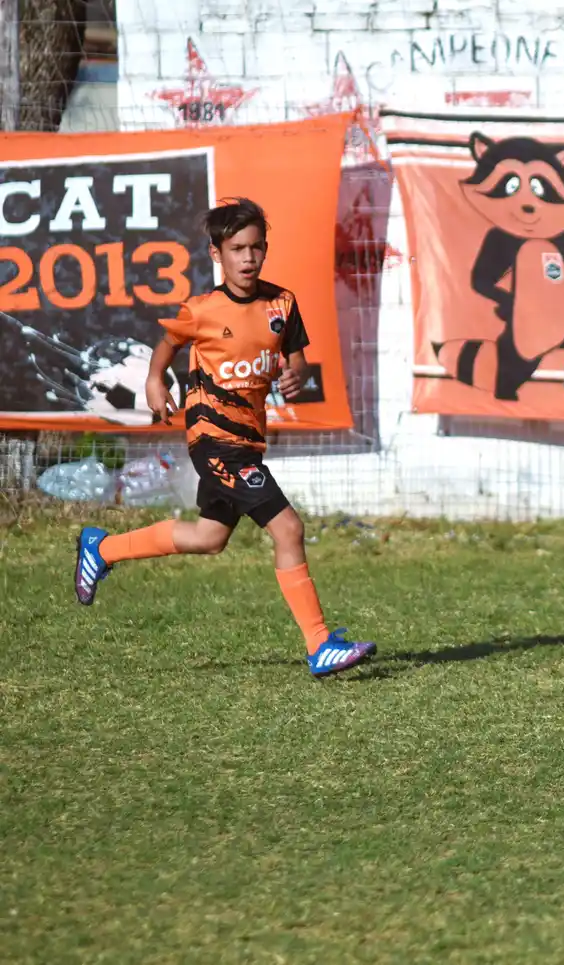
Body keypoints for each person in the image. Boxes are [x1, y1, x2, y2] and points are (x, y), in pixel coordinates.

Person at [73, 197, 376, 679]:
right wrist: (155, 380)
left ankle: (102, 549)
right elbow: (168, 345)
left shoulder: (283, 303)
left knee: (209, 537)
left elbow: (295, 358)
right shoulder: (202, 310)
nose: (248, 258)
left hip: (248, 442)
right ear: (217, 254)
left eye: (256, 248)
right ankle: (320, 644)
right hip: (214, 440)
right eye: (237, 249)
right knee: (289, 529)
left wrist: (295, 375)